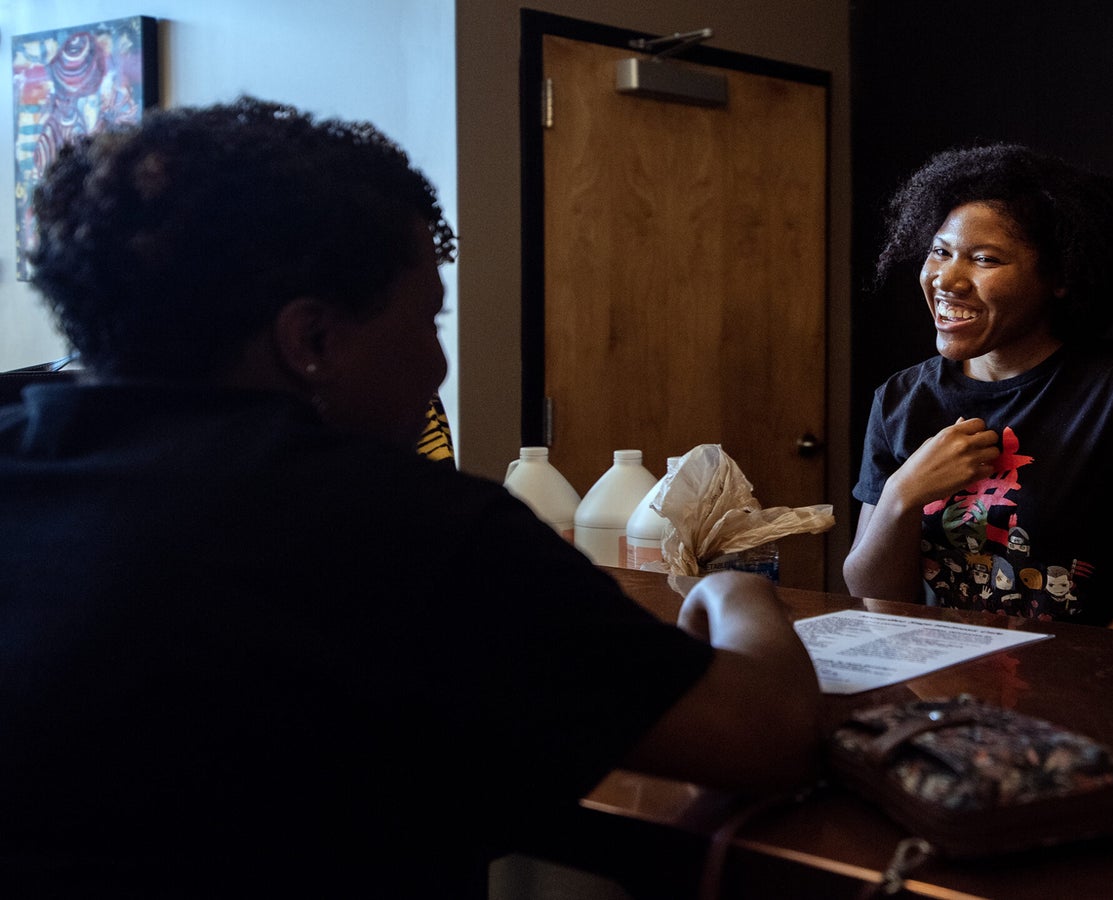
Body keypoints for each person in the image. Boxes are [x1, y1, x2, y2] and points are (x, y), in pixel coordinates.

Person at [0, 97, 821, 897]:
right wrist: (733, 585)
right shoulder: (393, 524)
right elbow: (764, 735)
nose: (436, 368)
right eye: (429, 322)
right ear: (312, 340)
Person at [844, 143, 1113, 636]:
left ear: (1060, 277)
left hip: (1091, 696)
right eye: (940, 251)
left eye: (984, 259)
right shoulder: (901, 400)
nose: (948, 279)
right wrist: (901, 495)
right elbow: (875, 595)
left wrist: (1068, 693)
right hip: (945, 689)